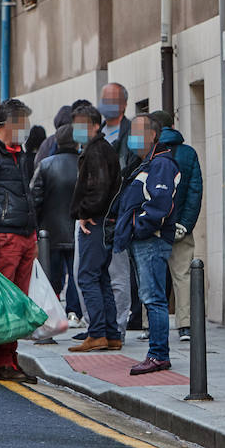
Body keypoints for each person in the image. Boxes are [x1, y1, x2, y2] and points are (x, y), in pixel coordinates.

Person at [0, 99, 41, 384]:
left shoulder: (18, 153)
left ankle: (11, 359)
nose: (25, 129)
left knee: (17, 305)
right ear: (7, 124)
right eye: (21, 123)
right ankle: (3, 362)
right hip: (4, 238)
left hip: (25, 236)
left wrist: (33, 232)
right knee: (3, 305)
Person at [113, 115, 182, 375]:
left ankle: (158, 355)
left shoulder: (161, 164)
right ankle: (157, 353)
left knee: (154, 299)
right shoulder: (148, 163)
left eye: (138, 133)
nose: (133, 138)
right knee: (150, 297)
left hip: (151, 241)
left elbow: (160, 204)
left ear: (153, 135)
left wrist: (137, 228)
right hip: (144, 240)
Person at [68, 104, 122, 353]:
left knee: (87, 276)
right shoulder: (100, 148)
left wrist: (85, 213)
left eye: (82, 125)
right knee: (100, 277)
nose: (77, 130)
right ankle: (110, 334)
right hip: (104, 221)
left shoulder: (96, 151)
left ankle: (98, 333)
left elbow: (98, 187)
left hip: (96, 222)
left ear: (95, 126)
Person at [149, 110, 203, 342]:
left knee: (152, 276)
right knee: (183, 276)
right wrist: (186, 224)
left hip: (152, 226)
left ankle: (149, 325)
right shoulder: (189, 153)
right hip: (180, 225)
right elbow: (194, 191)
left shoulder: (149, 153)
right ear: (173, 124)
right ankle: (185, 326)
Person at [30, 106, 83, 325]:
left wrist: (35, 226)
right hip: (76, 228)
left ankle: (51, 312)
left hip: (49, 231)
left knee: (50, 273)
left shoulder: (45, 165)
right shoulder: (83, 164)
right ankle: (73, 312)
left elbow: (35, 198)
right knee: (76, 273)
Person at [99, 81, 136, 335]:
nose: (106, 104)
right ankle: (100, 326)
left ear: (123, 103)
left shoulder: (132, 133)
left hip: (121, 211)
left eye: (111, 99)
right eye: (104, 98)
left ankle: (119, 327)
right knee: (94, 273)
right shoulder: (95, 133)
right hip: (96, 213)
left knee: (120, 274)